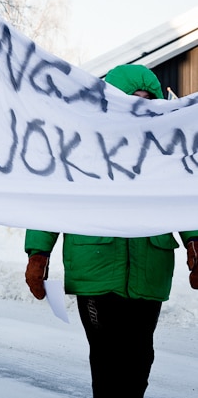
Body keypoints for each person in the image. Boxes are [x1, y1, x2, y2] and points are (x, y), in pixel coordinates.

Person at [24, 63, 198, 398]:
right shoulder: (82, 148)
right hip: (96, 268)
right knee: (108, 359)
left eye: (147, 102)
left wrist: (195, 242)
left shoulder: (165, 152)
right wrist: (38, 252)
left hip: (150, 269)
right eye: (131, 100)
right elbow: (54, 199)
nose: (139, 108)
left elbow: (183, 199)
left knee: (140, 358)